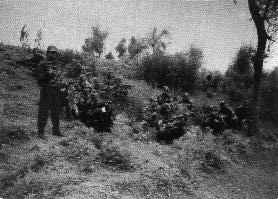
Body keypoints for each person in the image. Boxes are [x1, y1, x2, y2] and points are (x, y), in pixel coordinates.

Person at [36, 45, 64, 139]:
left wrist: (61, 85)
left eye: (55, 53)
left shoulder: (58, 64)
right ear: (47, 53)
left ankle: (56, 130)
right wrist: (48, 74)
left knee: (55, 111)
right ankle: (41, 132)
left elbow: (59, 77)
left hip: (56, 90)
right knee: (44, 111)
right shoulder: (42, 64)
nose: (54, 54)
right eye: (52, 52)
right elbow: (39, 79)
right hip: (46, 90)